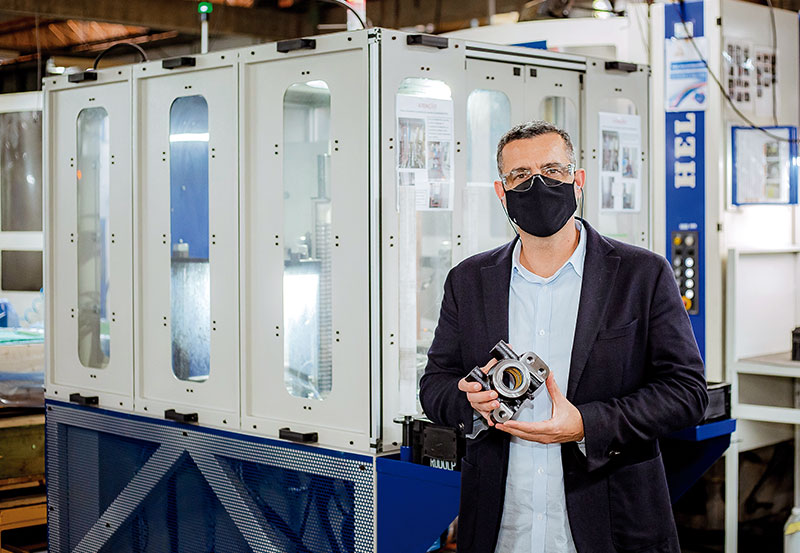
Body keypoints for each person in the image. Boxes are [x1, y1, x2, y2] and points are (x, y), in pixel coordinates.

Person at [419, 121, 707, 553]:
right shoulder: (469, 281)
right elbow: (435, 384)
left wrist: (587, 425)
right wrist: (471, 402)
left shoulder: (641, 275)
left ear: (578, 180)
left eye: (552, 171)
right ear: (502, 192)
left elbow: (686, 393)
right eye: (520, 176)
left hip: (612, 528)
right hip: (503, 530)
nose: (537, 185)